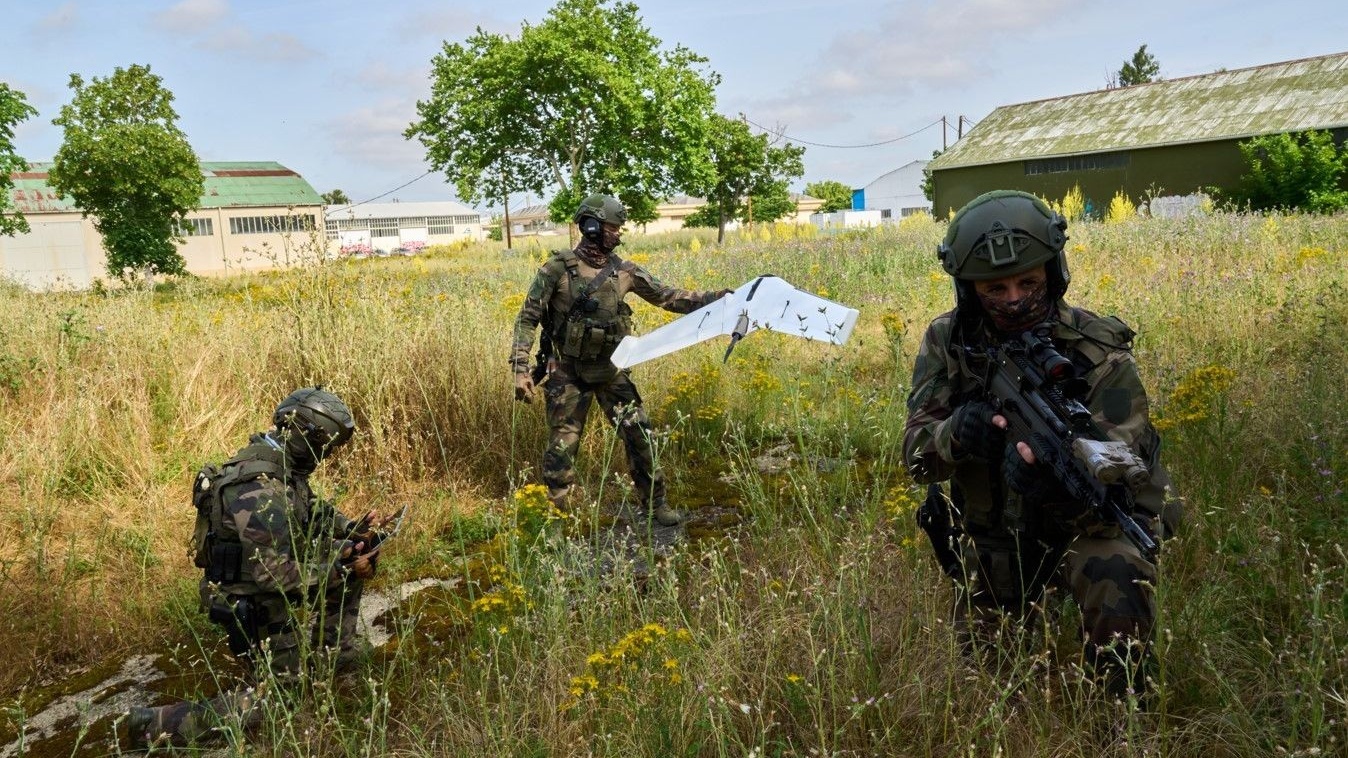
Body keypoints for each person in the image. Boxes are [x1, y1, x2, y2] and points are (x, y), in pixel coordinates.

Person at [902, 190, 1181, 695]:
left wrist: (1052, 486)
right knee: (983, 688)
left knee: (1117, 563)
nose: (1013, 299)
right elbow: (915, 457)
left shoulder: (1098, 350)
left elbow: (1128, 491)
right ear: (969, 289)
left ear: (1053, 273)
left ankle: (1124, 718)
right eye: (995, 288)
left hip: (1083, 524)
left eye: (1028, 282)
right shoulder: (949, 340)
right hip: (995, 537)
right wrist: (956, 435)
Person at [127, 387, 389, 749]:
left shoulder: (283, 468)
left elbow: (311, 510)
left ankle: (334, 654)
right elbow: (274, 575)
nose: (326, 455)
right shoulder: (256, 486)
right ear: (302, 433)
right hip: (248, 598)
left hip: (266, 581)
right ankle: (153, 725)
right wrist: (340, 568)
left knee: (348, 554)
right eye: (324, 444)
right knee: (283, 700)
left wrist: (351, 531)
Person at [511, 194, 730, 527]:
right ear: (591, 225)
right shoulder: (557, 268)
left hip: (611, 371)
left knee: (641, 436)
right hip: (567, 374)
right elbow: (527, 318)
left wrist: (719, 299)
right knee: (562, 448)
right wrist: (520, 369)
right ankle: (554, 521)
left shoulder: (624, 271)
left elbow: (668, 297)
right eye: (613, 227)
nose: (618, 234)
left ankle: (655, 505)